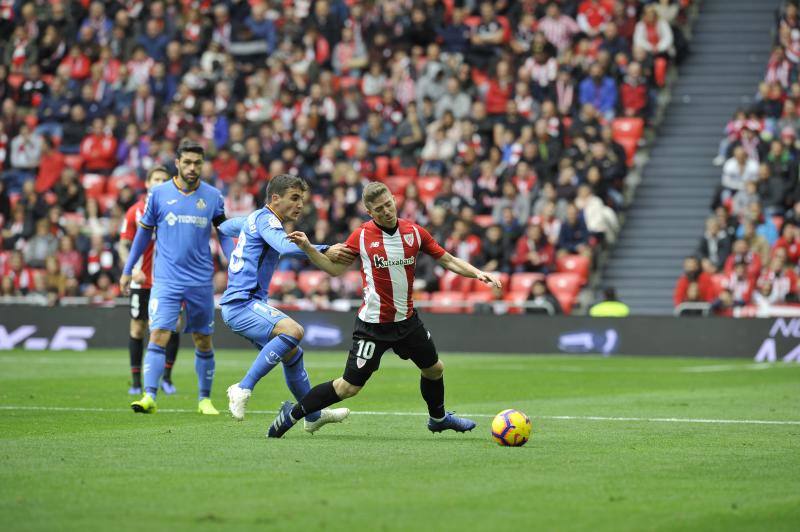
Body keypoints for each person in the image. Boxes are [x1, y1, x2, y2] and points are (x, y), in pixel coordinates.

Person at [267, 182, 502, 438]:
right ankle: (291, 414)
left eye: (388, 204)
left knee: (434, 369)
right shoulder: (361, 236)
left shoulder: (414, 232)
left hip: (407, 321)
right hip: (372, 327)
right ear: (370, 212)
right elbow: (335, 269)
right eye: (379, 209)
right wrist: (309, 248)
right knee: (348, 388)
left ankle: (438, 419)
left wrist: (479, 274)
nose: (386, 211)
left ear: (394, 199)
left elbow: (448, 259)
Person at [218, 174, 352, 434]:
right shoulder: (267, 219)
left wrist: (231, 254)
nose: (300, 205)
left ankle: (312, 415)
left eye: (301, 199)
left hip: (244, 303)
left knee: (293, 354)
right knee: (293, 331)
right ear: (275, 198)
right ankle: (242, 388)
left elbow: (224, 229)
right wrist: (324, 248)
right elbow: (285, 246)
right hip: (242, 303)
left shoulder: (254, 219)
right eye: (294, 198)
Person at [120, 139, 235, 415]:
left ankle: (204, 399)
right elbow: (142, 235)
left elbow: (224, 233)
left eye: (197, 163)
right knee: (158, 333)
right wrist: (127, 270)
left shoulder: (213, 197)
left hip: (200, 282)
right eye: (187, 162)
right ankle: (149, 396)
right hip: (167, 280)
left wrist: (234, 263)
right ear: (178, 163)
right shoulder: (158, 195)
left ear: (202, 164)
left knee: (203, 339)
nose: (192, 167)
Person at [118, 166, 181, 396]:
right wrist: (131, 268)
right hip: (141, 280)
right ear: (147, 183)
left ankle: (167, 377)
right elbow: (123, 244)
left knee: (173, 327)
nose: (159, 182)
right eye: (156, 179)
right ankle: (136, 382)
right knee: (138, 327)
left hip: (169, 281)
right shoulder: (135, 211)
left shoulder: (177, 210)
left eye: (164, 180)